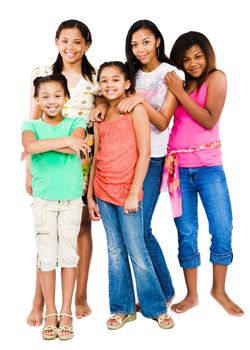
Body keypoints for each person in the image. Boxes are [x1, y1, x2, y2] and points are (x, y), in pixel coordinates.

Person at [26, 19, 107, 325]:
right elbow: (32, 123)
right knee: (46, 233)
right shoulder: (43, 74)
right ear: (56, 41)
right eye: (65, 41)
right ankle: (40, 302)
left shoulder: (95, 78)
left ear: (87, 44)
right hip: (47, 160)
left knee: (82, 227)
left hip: (82, 161)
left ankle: (80, 296)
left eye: (77, 42)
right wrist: (29, 173)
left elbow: (99, 118)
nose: (70, 47)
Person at [161, 31, 244, 316]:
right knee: (186, 232)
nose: (193, 63)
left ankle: (218, 290)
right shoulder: (179, 83)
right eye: (186, 59)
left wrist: (180, 92)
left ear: (207, 54)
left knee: (222, 227)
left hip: (209, 168)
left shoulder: (216, 78)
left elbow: (209, 120)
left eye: (198, 56)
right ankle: (191, 294)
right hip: (178, 170)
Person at [87, 61, 175, 330]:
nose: (109, 85)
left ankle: (155, 307)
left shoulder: (135, 108)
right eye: (104, 80)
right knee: (114, 250)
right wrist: (90, 196)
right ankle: (122, 308)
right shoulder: (100, 116)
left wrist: (135, 190)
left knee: (137, 250)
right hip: (103, 189)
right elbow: (96, 156)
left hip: (128, 191)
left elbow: (145, 153)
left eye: (116, 79)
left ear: (127, 84)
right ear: (100, 85)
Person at [116, 20, 183, 306]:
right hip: (125, 158)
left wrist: (139, 101)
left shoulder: (171, 73)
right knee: (132, 232)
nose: (140, 48)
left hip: (153, 158)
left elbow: (164, 120)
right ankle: (158, 292)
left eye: (145, 41)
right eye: (134, 44)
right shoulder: (129, 74)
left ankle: (164, 292)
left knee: (141, 230)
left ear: (157, 40)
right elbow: (113, 100)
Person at [22, 74, 89, 340]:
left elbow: (77, 149)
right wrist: (66, 142)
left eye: (58, 96)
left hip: (71, 199)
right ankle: (50, 312)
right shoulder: (30, 124)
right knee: (47, 257)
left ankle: (66, 312)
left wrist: (44, 147)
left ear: (67, 98)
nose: (52, 101)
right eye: (45, 97)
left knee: (69, 256)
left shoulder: (77, 122)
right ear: (37, 100)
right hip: (44, 200)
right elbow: (30, 145)